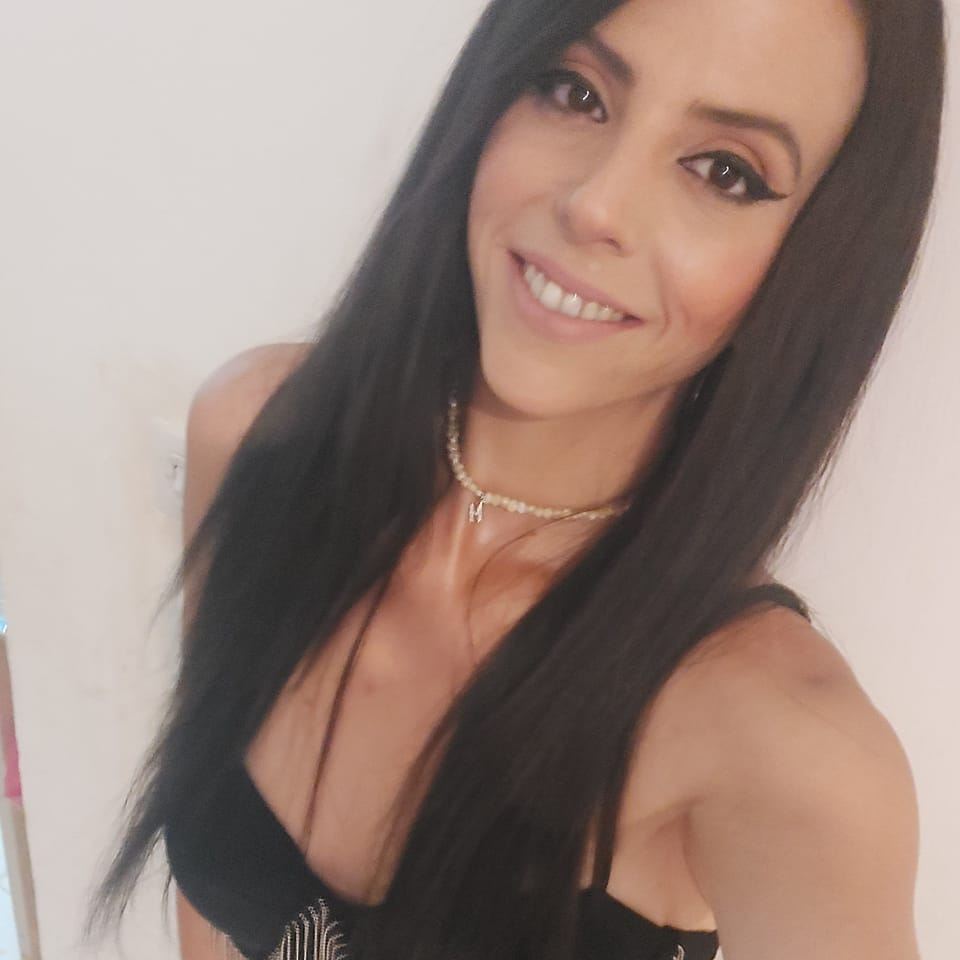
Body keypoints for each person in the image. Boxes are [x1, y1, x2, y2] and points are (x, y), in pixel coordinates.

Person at [83, 0, 946, 958]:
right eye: (574, 91)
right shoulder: (257, 433)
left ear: (816, 261)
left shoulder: (786, 751)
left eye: (724, 171)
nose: (597, 205)